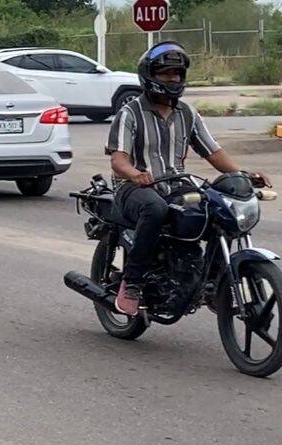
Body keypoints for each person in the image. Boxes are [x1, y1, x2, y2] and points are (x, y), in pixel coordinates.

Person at [105, 41, 271, 317]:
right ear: (150, 76)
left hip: (176, 184)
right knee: (155, 209)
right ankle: (132, 282)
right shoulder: (130, 112)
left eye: (176, 74)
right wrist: (135, 174)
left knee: (218, 209)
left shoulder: (187, 113)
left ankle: (214, 281)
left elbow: (213, 153)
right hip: (134, 187)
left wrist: (242, 175)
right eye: (164, 73)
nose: (172, 79)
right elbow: (118, 159)